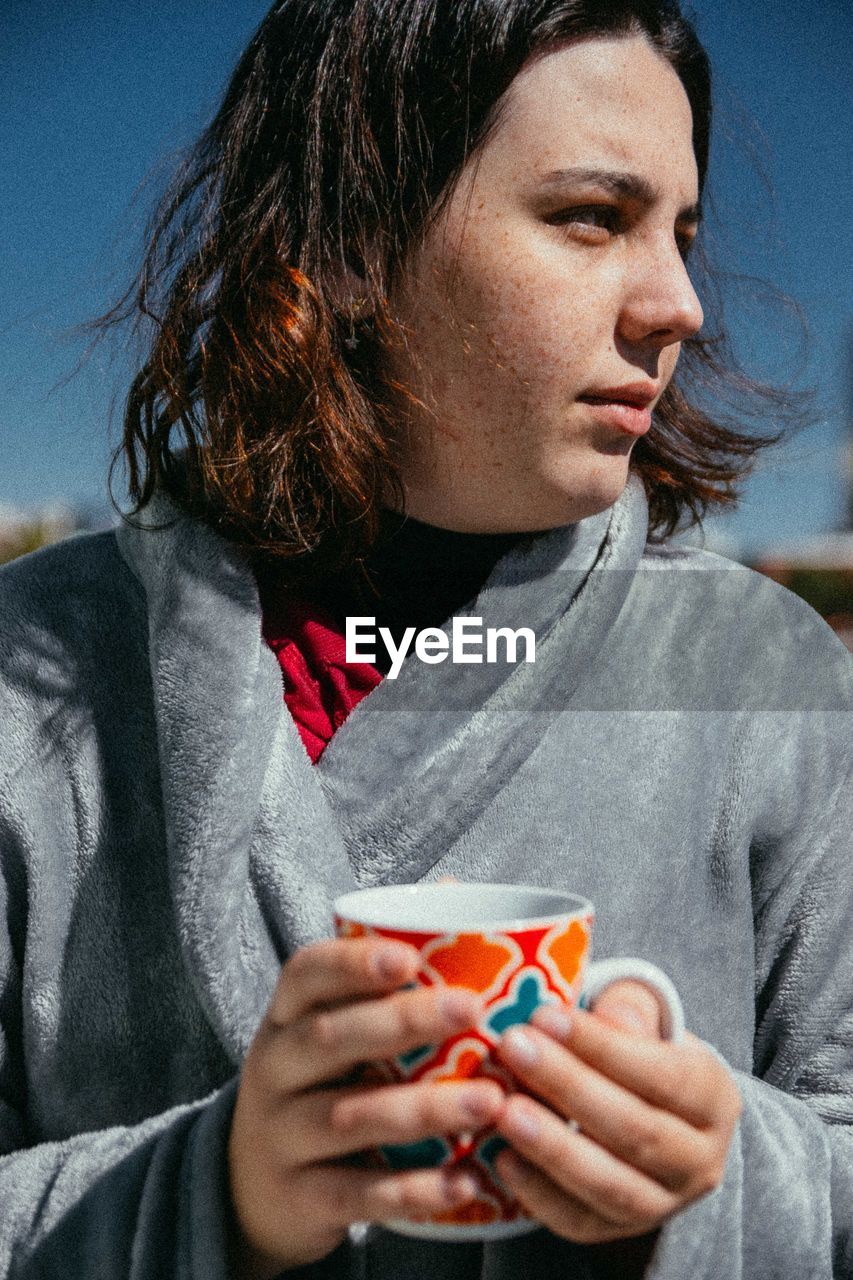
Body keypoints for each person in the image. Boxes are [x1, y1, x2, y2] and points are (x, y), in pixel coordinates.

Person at [0, 2, 850, 1278]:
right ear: (347, 242)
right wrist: (207, 1191)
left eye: (681, 233)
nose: (677, 303)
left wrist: (720, 1170)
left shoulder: (765, 674)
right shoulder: (34, 667)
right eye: (590, 217)